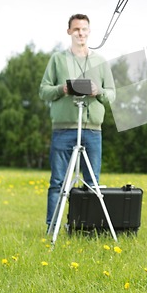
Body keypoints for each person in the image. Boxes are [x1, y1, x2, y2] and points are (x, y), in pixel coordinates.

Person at [39, 14, 115, 226]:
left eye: (83, 29)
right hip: (63, 129)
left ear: (89, 31)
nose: (80, 33)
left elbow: (112, 94)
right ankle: (52, 227)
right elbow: (43, 91)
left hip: (92, 130)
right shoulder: (57, 59)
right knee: (57, 182)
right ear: (69, 32)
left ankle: (87, 227)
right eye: (76, 29)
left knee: (92, 183)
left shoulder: (100, 61)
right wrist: (61, 89)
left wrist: (97, 91)